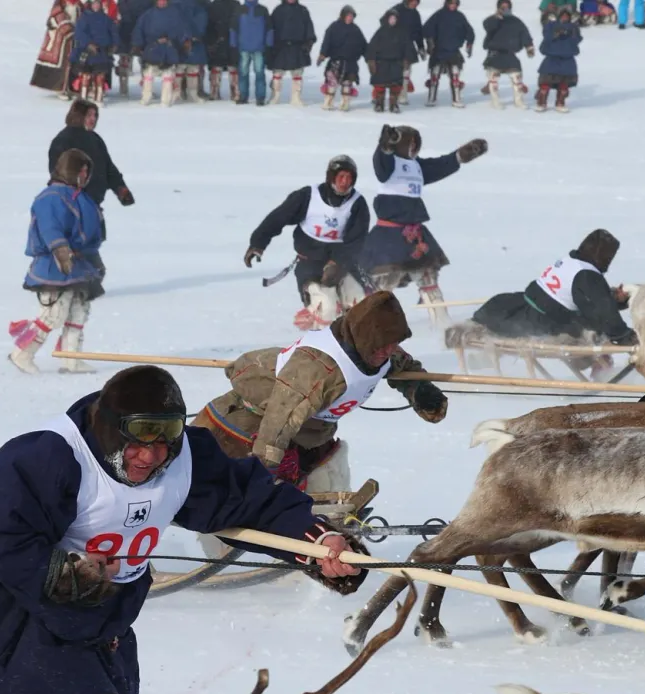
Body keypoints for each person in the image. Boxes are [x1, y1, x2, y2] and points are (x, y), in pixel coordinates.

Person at [0, 365, 364, 694]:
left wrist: (318, 543)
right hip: (19, 619)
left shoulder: (186, 459)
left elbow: (252, 502)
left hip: (103, 622)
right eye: (137, 440)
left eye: (166, 439)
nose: (151, 456)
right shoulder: (49, 456)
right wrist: (62, 572)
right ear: (111, 426)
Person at [193, 291, 445, 495]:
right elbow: (279, 421)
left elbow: (403, 365)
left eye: (393, 344)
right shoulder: (317, 370)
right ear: (364, 338)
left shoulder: (379, 352)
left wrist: (421, 391)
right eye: (382, 345)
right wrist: (263, 475)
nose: (389, 351)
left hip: (309, 432)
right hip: (252, 422)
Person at [359, 125, 487, 322]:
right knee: (384, 282)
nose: (412, 147)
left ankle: (442, 324)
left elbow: (440, 165)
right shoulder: (389, 164)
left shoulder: (417, 166)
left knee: (428, 277)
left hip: (415, 234)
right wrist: (384, 145)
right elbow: (380, 161)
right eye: (407, 143)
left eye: (415, 143)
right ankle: (365, 325)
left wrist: (459, 156)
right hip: (389, 235)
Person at [247, 156, 372, 330]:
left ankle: (356, 350)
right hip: (310, 263)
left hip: (342, 264)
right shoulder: (307, 197)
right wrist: (258, 243)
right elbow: (278, 218)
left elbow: (356, 240)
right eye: (341, 177)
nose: (345, 182)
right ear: (331, 177)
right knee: (327, 307)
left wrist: (337, 263)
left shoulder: (357, 203)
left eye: (349, 178)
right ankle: (322, 345)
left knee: (360, 303)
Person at [11, 150, 105, 375]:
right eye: (80, 170)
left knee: (79, 311)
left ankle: (71, 357)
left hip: (80, 266)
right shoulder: (51, 197)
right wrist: (61, 250)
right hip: (54, 265)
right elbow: (50, 227)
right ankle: (22, 353)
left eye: (86, 171)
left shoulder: (80, 196)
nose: (84, 175)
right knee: (54, 313)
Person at [471, 229, 636, 347]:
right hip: (545, 322)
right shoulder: (588, 275)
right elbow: (601, 309)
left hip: (522, 307)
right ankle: (599, 366)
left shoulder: (570, 261)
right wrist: (624, 335)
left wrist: (615, 301)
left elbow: (588, 298)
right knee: (593, 329)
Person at [49, 100, 134, 237]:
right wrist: (73, 197)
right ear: (78, 115)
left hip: (93, 206)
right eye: (89, 115)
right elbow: (57, 174)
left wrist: (121, 189)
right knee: (80, 253)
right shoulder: (63, 140)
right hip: (71, 209)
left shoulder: (95, 139)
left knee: (91, 249)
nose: (93, 119)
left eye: (95, 115)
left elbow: (109, 169)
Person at [133, 0, 189, 105]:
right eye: (160, 0)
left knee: (168, 74)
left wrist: (181, 43)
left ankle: (166, 100)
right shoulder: (148, 14)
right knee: (148, 74)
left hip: (169, 48)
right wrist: (138, 44)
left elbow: (182, 31)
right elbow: (139, 29)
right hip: (152, 48)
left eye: (164, 0)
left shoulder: (175, 14)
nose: (162, 2)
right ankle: (146, 97)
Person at [479, 0, 532, 110]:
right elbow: (486, 25)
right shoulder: (493, 20)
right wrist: (496, 17)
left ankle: (519, 101)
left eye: (507, 7)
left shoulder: (516, 21)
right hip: (495, 54)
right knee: (494, 79)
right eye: (502, 7)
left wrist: (529, 46)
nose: (505, 9)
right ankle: (495, 101)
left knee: (517, 77)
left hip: (510, 54)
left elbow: (524, 33)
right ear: (498, 7)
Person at [423, 0, 473, 107]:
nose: (453, 5)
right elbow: (427, 28)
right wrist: (430, 42)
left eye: (455, 4)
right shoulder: (439, 15)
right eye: (451, 3)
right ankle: (431, 98)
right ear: (447, 4)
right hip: (439, 50)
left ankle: (457, 99)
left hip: (454, 50)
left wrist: (469, 43)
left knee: (455, 76)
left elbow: (469, 31)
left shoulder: (459, 16)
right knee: (434, 76)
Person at [268, 0, 317, 106]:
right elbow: (271, 28)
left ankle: (296, 98)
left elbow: (309, 27)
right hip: (281, 46)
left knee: (297, 73)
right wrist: (270, 45)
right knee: (277, 73)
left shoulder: (303, 10)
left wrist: (309, 42)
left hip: (298, 46)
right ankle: (275, 97)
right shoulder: (278, 10)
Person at [70, 0, 120, 102]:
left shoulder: (106, 19)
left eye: (98, 3)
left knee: (100, 77)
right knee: (85, 76)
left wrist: (115, 44)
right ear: (90, 5)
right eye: (94, 4)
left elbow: (113, 32)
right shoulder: (84, 18)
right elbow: (79, 34)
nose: (96, 6)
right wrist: (88, 44)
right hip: (86, 52)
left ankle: (99, 99)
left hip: (102, 52)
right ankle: (83, 100)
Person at [318, 5, 366, 111]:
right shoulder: (334, 27)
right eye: (348, 16)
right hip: (335, 61)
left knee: (347, 84)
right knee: (331, 83)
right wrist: (322, 54)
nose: (350, 18)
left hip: (350, 62)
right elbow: (327, 42)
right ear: (343, 15)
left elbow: (363, 45)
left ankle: (345, 104)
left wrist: (369, 58)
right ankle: (328, 102)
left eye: (352, 16)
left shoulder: (356, 30)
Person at [367, 9, 413, 112]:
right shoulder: (380, 32)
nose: (393, 20)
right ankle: (379, 103)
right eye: (391, 18)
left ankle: (394, 104)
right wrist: (371, 61)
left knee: (396, 85)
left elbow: (408, 47)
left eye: (395, 18)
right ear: (387, 19)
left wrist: (407, 59)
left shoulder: (402, 33)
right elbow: (372, 47)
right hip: (381, 63)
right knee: (380, 85)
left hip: (396, 63)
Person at [535, 8, 578, 113]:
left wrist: (572, 30)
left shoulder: (573, 27)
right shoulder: (551, 25)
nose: (565, 18)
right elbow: (546, 38)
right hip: (552, 58)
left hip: (567, 59)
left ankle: (560, 102)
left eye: (567, 16)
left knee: (564, 84)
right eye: (563, 16)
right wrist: (556, 32)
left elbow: (577, 39)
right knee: (545, 83)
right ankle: (541, 101)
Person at [233, 0, 272, 104]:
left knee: (259, 73)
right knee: (243, 73)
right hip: (243, 47)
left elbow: (269, 28)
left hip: (259, 48)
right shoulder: (239, 10)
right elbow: (233, 28)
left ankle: (260, 97)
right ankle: (243, 96)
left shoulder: (263, 10)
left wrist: (269, 44)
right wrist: (233, 44)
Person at [172, 0, 209, 101]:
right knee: (178, 67)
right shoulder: (173, 6)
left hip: (194, 40)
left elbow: (202, 20)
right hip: (178, 41)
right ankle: (177, 91)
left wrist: (193, 35)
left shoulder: (199, 7)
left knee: (193, 67)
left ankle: (193, 92)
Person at [386, 0, 426, 93]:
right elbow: (384, 24)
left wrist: (421, 47)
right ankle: (379, 96)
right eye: (413, 1)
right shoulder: (396, 10)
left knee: (406, 71)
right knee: (390, 72)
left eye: (416, 2)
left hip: (408, 46)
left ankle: (403, 94)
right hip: (394, 45)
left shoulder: (415, 14)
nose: (414, 4)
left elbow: (418, 32)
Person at [205, 0, 241, 102]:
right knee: (216, 68)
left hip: (232, 41)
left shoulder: (236, 4)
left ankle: (235, 92)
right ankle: (214, 92)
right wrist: (211, 41)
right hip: (217, 40)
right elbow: (209, 25)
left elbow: (239, 23)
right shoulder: (213, 5)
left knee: (233, 66)